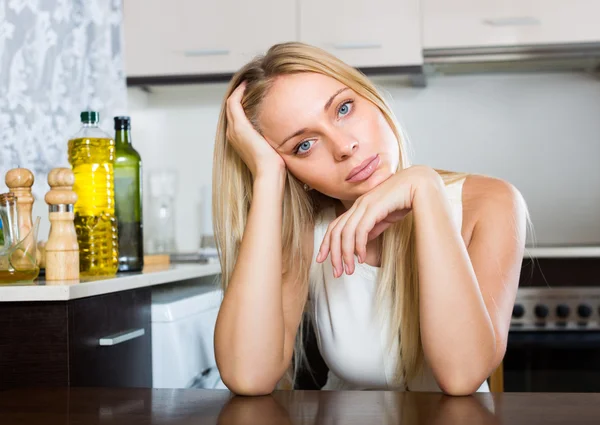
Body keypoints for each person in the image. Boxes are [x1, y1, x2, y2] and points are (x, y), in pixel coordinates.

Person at [212, 42, 528, 396]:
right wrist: (268, 176)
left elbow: (461, 376)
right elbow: (246, 376)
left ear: (373, 97)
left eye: (344, 108)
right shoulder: (306, 231)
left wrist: (425, 189)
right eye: (303, 145)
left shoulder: (490, 202)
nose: (344, 146)